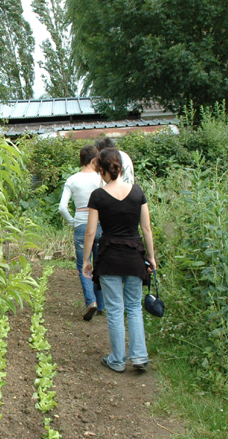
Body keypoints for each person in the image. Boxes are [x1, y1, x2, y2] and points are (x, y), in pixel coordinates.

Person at [82, 148, 156, 373]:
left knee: (115, 309)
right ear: (121, 167)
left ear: (102, 170)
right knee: (134, 307)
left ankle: (117, 360)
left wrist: (86, 260)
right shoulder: (137, 192)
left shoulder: (98, 196)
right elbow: (146, 229)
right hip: (134, 256)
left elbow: (90, 232)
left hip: (109, 258)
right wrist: (151, 257)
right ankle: (140, 357)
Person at [59, 144, 105, 320]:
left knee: (83, 265)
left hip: (80, 225)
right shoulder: (100, 179)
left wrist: (73, 222)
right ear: (94, 160)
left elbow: (62, 207)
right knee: (100, 263)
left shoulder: (72, 180)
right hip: (100, 225)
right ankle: (101, 305)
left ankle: (90, 301)